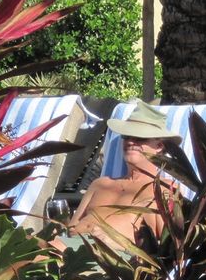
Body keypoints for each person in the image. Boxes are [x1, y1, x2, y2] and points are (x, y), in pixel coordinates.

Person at [57, 101, 182, 251]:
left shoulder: (164, 189)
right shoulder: (101, 184)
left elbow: (168, 249)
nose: (130, 141)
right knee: (31, 246)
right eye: (127, 136)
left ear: (159, 147)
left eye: (140, 137)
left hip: (114, 260)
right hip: (73, 249)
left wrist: (112, 243)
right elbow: (71, 228)